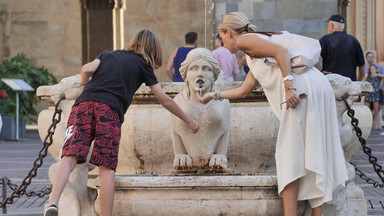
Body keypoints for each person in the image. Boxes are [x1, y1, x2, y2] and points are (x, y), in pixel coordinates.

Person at [197, 12, 348, 216]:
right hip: (314, 86)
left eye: (221, 36)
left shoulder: (246, 40)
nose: (222, 43)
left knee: (290, 156)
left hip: (301, 91)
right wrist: (212, 95)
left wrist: (288, 87)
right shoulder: (254, 50)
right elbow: (243, 90)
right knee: (314, 150)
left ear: (228, 32)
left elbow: (281, 52)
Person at [44, 29, 199, 216]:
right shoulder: (143, 66)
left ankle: (53, 203)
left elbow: (86, 69)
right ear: (154, 50)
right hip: (108, 110)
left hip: (83, 106)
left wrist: (85, 82)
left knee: (68, 157)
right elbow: (164, 99)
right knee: (106, 169)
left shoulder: (108, 54)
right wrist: (189, 120)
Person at [319, 14, 365, 81]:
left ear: (331, 25)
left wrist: (320, 72)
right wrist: (359, 81)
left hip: (330, 82)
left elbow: (312, 57)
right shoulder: (353, 40)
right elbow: (362, 65)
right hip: (350, 83)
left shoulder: (325, 40)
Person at [365, 52, 384, 130]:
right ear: (366, 58)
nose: (370, 58)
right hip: (369, 93)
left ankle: (378, 126)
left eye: (372, 56)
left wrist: (377, 74)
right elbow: (364, 80)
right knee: (367, 110)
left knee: (377, 109)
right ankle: (369, 126)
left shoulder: (379, 66)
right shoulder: (365, 68)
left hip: (377, 92)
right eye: (369, 57)